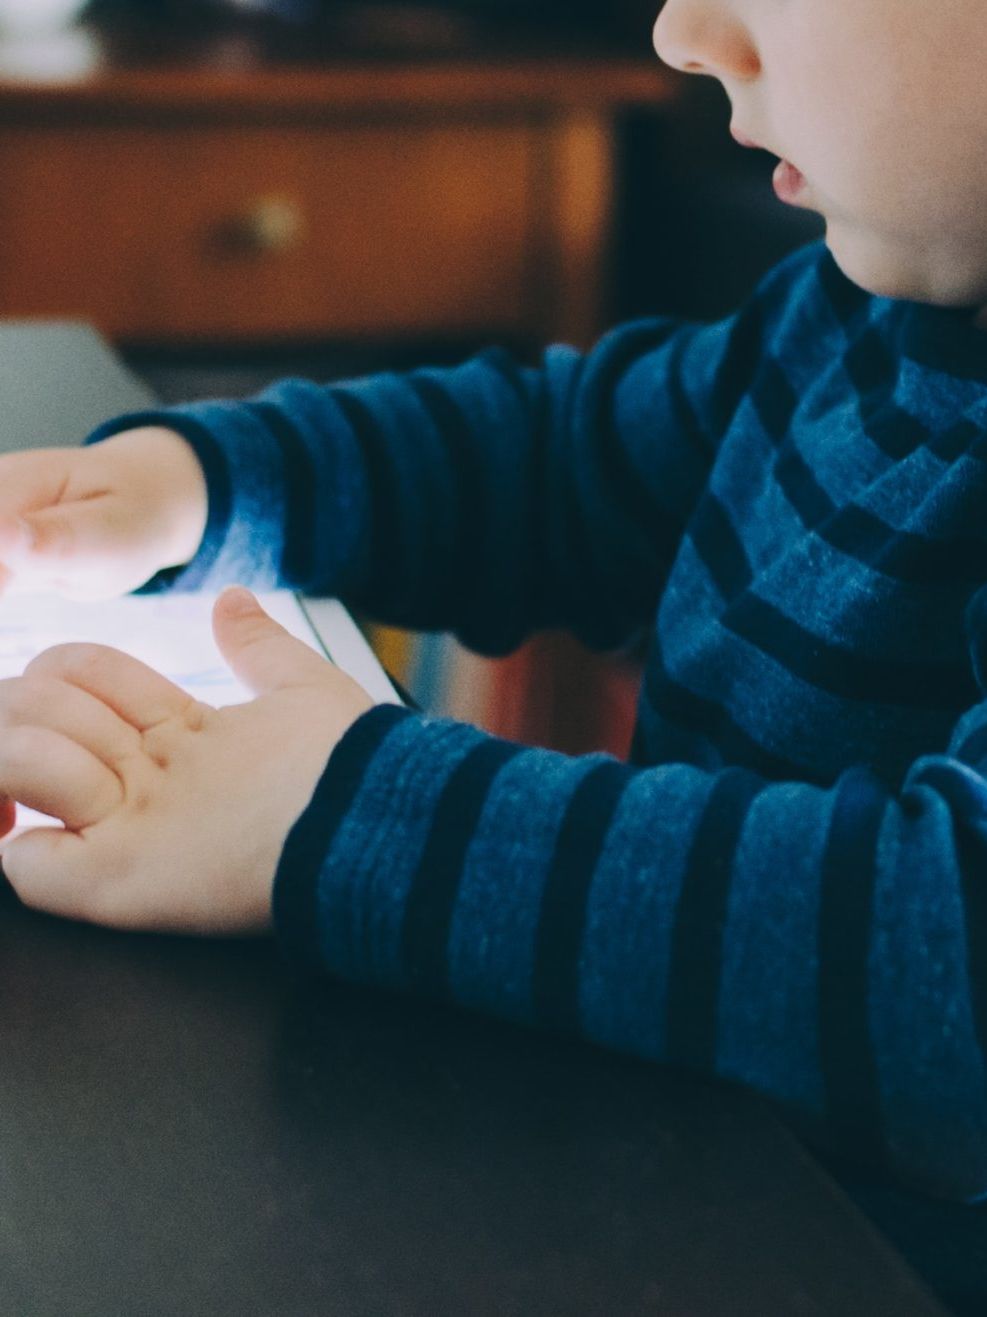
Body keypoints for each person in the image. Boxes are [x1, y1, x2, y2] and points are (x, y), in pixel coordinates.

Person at [0, 0, 985, 1231]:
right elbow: (567, 465)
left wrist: (344, 811)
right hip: (698, 1186)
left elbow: (945, 960)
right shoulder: (864, 313)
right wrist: (205, 487)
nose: (685, 34)